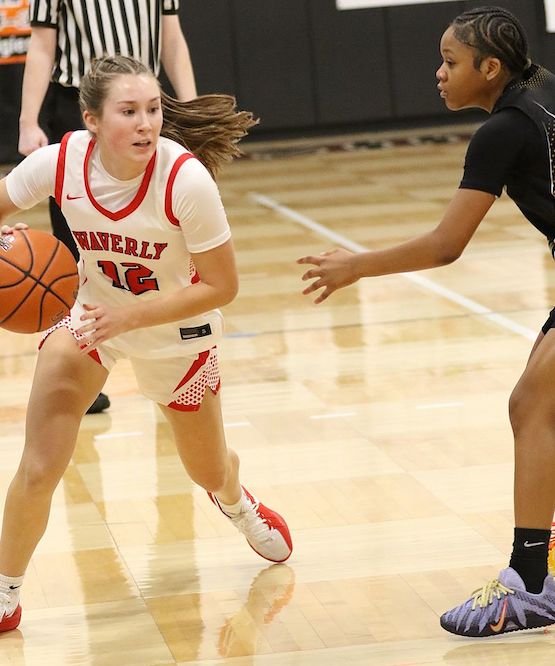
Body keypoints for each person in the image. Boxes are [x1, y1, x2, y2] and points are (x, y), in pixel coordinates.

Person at [0, 54, 292, 633]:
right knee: (39, 465)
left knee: (206, 470)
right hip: (92, 319)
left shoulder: (185, 180)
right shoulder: (59, 162)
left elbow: (222, 286)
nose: (146, 124)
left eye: (153, 110)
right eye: (129, 111)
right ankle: (5, 589)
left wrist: (129, 317)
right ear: (91, 120)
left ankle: (236, 500)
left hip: (177, 331)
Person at [298, 5, 555, 638]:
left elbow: (445, 246)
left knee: (533, 408)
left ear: (489, 68)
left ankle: (530, 583)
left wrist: (356, 266)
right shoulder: (539, 98)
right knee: (535, 406)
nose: (438, 73)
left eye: (449, 61)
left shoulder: (503, 131)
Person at [18, 0, 198, 413]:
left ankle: (169, 350)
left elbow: (171, 38)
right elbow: (42, 43)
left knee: (163, 237)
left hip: (142, 106)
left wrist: (189, 112)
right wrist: (29, 120)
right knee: (73, 248)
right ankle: (75, 362)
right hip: (82, 105)